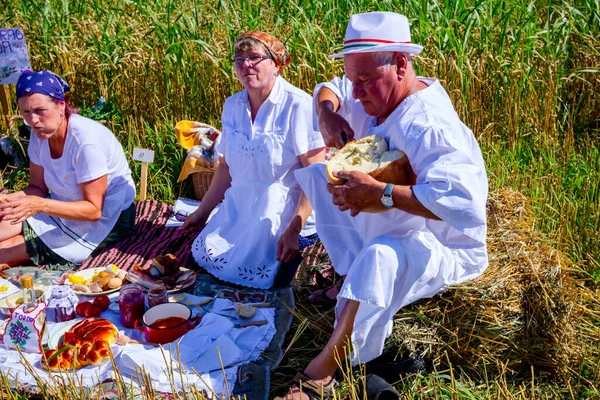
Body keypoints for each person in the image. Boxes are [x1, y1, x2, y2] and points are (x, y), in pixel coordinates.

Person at [280, 12, 489, 399]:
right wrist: (326, 114)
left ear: (401, 64)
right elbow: (331, 87)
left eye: (364, 81)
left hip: (444, 242)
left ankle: (324, 370)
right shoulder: (373, 88)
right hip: (399, 219)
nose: (355, 93)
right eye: (353, 78)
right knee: (317, 176)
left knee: (381, 258)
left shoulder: (428, 124)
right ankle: (350, 281)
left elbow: (466, 205)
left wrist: (381, 194)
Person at [182, 31, 326, 289]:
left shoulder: (298, 105)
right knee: (203, 263)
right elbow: (226, 166)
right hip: (240, 207)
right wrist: (201, 213)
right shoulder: (233, 105)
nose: (246, 64)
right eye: (239, 59)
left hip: (283, 213)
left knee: (262, 277)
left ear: (276, 65)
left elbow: (315, 173)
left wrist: (294, 228)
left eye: (254, 57)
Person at [0, 70, 136, 271]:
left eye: (40, 110)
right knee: (5, 225)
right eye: (26, 112)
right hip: (63, 205)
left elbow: (94, 210)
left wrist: (39, 205)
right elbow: (37, 187)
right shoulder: (40, 135)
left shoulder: (85, 143)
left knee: (6, 250)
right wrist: (10, 201)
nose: (33, 120)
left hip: (109, 216)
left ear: (61, 105)